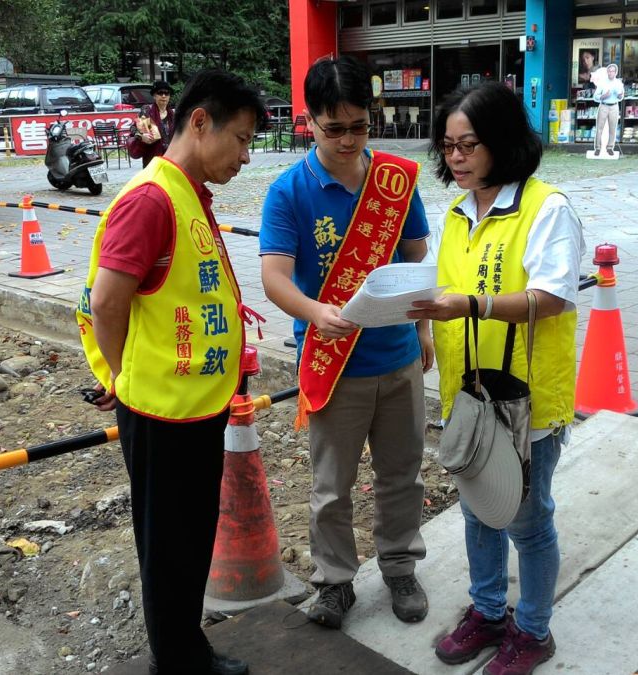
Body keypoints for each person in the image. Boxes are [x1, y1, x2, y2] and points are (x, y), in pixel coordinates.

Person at [76, 69, 265, 675]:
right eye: (240, 139)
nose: (244, 154)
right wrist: (121, 372)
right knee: (168, 547)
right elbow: (107, 302)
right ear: (200, 122)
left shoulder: (187, 194)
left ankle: (186, 648)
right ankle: (180, 662)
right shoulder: (152, 199)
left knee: (188, 537)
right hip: (160, 411)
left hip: (192, 406)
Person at [407, 82, 585, 675]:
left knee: (528, 521)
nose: (456, 157)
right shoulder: (457, 213)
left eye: (470, 145)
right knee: (478, 510)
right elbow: (447, 291)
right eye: (449, 146)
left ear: (503, 143)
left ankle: (533, 630)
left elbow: (552, 297)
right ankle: (487, 612)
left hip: (527, 399)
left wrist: (473, 305)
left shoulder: (546, 207)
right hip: (471, 394)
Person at [259, 55, 432, 630]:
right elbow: (275, 277)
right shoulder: (289, 193)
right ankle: (335, 582)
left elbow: (415, 261)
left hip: (398, 357)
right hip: (333, 362)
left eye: (360, 126)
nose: (349, 140)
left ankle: (400, 566)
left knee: (401, 472)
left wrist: (424, 330)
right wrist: (315, 312)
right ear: (309, 121)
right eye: (335, 128)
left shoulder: (394, 181)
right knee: (331, 486)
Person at [128, 80, 177, 167]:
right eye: (160, 93)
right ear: (154, 95)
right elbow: (133, 129)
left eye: (167, 93)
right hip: (152, 160)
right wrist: (141, 136)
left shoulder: (172, 114)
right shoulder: (147, 111)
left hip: (170, 159)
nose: (164, 96)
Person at [593, 64, 624, 156]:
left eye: (612, 71)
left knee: (612, 128)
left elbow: (621, 97)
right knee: (599, 128)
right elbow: (595, 97)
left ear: (615, 73)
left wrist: (619, 96)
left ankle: (610, 147)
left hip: (614, 106)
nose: (611, 73)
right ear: (607, 72)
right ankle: (597, 148)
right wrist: (603, 96)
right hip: (604, 105)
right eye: (609, 71)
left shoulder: (618, 83)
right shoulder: (602, 83)